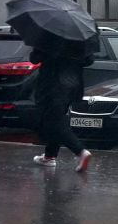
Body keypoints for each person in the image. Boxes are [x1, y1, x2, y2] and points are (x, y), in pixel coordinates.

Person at [31, 42, 95, 172]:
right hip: (72, 84)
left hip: (52, 85)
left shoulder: (49, 37)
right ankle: (50, 156)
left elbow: (34, 59)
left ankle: (80, 151)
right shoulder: (79, 39)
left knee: (53, 121)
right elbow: (89, 60)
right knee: (56, 119)